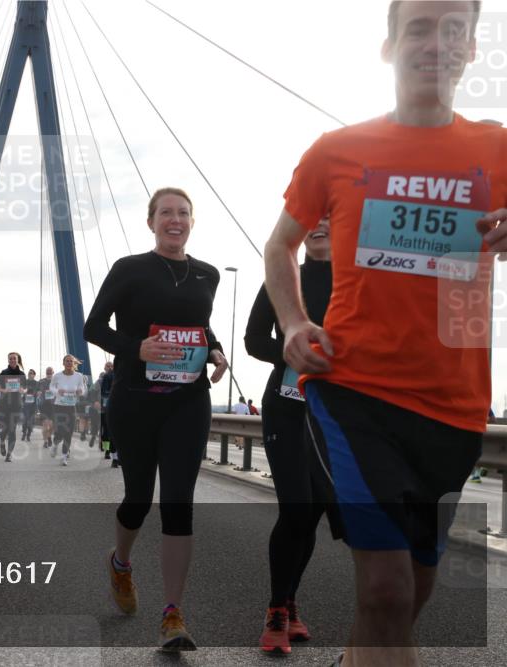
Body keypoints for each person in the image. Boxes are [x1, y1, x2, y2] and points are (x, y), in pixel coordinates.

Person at [263, 3, 505, 664]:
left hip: (454, 409)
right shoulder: (338, 151)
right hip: (353, 390)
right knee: (389, 591)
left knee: (411, 588)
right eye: (420, 26)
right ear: (389, 47)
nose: (437, 40)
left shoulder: (497, 148)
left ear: (472, 48)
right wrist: (293, 322)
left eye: (454, 27)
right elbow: (280, 245)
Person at [84, 187, 229, 652]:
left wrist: (216, 349)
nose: (175, 220)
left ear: (191, 221)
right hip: (135, 399)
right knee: (138, 498)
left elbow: (198, 324)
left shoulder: (207, 274)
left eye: (183, 213)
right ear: (151, 222)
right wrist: (135, 348)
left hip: (188, 401)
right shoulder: (129, 270)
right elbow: (93, 328)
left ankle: (172, 614)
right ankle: (121, 562)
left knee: (179, 502)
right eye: (166, 212)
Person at [246, 217, 335, 655]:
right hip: (287, 410)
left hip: (337, 416)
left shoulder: (361, 282)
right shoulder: (284, 279)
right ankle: (276, 612)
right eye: (313, 218)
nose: (320, 224)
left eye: (330, 217)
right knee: (297, 506)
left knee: (315, 510)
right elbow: (252, 340)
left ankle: (290, 601)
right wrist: (293, 348)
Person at [49, 354, 86, 466]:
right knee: (60, 431)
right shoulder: (57, 376)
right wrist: (57, 392)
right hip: (59, 406)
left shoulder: (79, 376)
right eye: (67, 361)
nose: (69, 363)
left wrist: (80, 391)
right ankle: (55, 444)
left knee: (69, 432)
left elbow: (82, 388)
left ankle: (64, 456)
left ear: (74, 363)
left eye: (71, 361)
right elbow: (51, 387)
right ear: (63, 363)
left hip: (71, 406)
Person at [0, 352, 26, 461]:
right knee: (5, 428)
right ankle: (2, 442)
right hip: (4, 405)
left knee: (12, 429)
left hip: (17, 405)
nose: (12, 360)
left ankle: (9, 454)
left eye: (14, 359)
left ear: (17, 360)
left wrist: (23, 390)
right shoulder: (4, 373)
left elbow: (25, 389)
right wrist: (3, 390)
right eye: (10, 359)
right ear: (8, 360)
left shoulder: (22, 374)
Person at [38, 366, 56, 448]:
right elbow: (35, 390)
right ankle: (45, 441)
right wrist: (38, 392)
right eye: (47, 372)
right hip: (44, 405)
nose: (49, 374)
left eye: (50, 372)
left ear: (53, 373)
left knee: (52, 426)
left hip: (54, 405)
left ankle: (49, 436)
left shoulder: (57, 382)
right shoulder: (41, 381)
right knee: (45, 425)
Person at [21, 368, 38, 441]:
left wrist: (38, 393)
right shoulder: (25, 382)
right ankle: (24, 432)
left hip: (33, 405)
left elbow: (39, 391)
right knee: (25, 420)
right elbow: (21, 390)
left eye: (31, 373)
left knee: (31, 421)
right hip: (25, 404)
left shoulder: (37, 383)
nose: (30, 374)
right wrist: (23, 391)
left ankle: (28, 435)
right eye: (29, 373)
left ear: (34, 375)